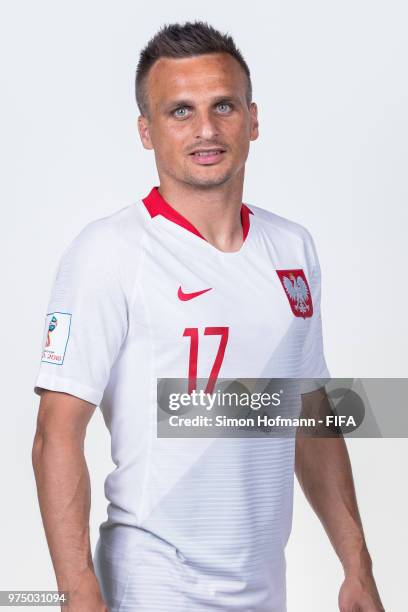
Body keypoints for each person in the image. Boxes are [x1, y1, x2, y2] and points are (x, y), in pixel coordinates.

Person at [32, 21, 384, 612]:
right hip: (153, 586)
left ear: (253, 119)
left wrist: (357, 566)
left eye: (223, 106)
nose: (205, 129)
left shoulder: (293, 248)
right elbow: (55, 436)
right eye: (179, 111)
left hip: (265, 590)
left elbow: (309, 412)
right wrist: (79, 593)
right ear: (146, 131)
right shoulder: (109, 253)